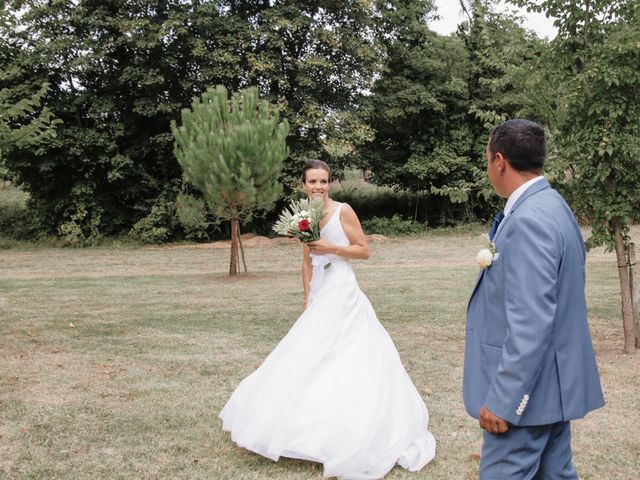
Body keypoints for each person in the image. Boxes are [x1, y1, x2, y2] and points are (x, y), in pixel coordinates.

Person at [220, 160, 436, 480]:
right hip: (320, 292)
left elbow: (364, 251)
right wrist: (308, 298)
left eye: (323, 181)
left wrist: (332, 247)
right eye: (312, 182)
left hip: (343, 290)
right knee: (307, 353)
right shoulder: (303, 216)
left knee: (346, 352)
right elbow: (307, 261)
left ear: (330, 183)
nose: (318, 186)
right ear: (303, 185)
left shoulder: (343, 211)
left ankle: (347, 425)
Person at [464, 119, 605, 479]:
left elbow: (531, 320)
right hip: (552, 392)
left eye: (486, 159)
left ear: (499, 161)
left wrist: (504, 399)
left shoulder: (529, 219)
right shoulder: (555, 205)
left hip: (525, 399)